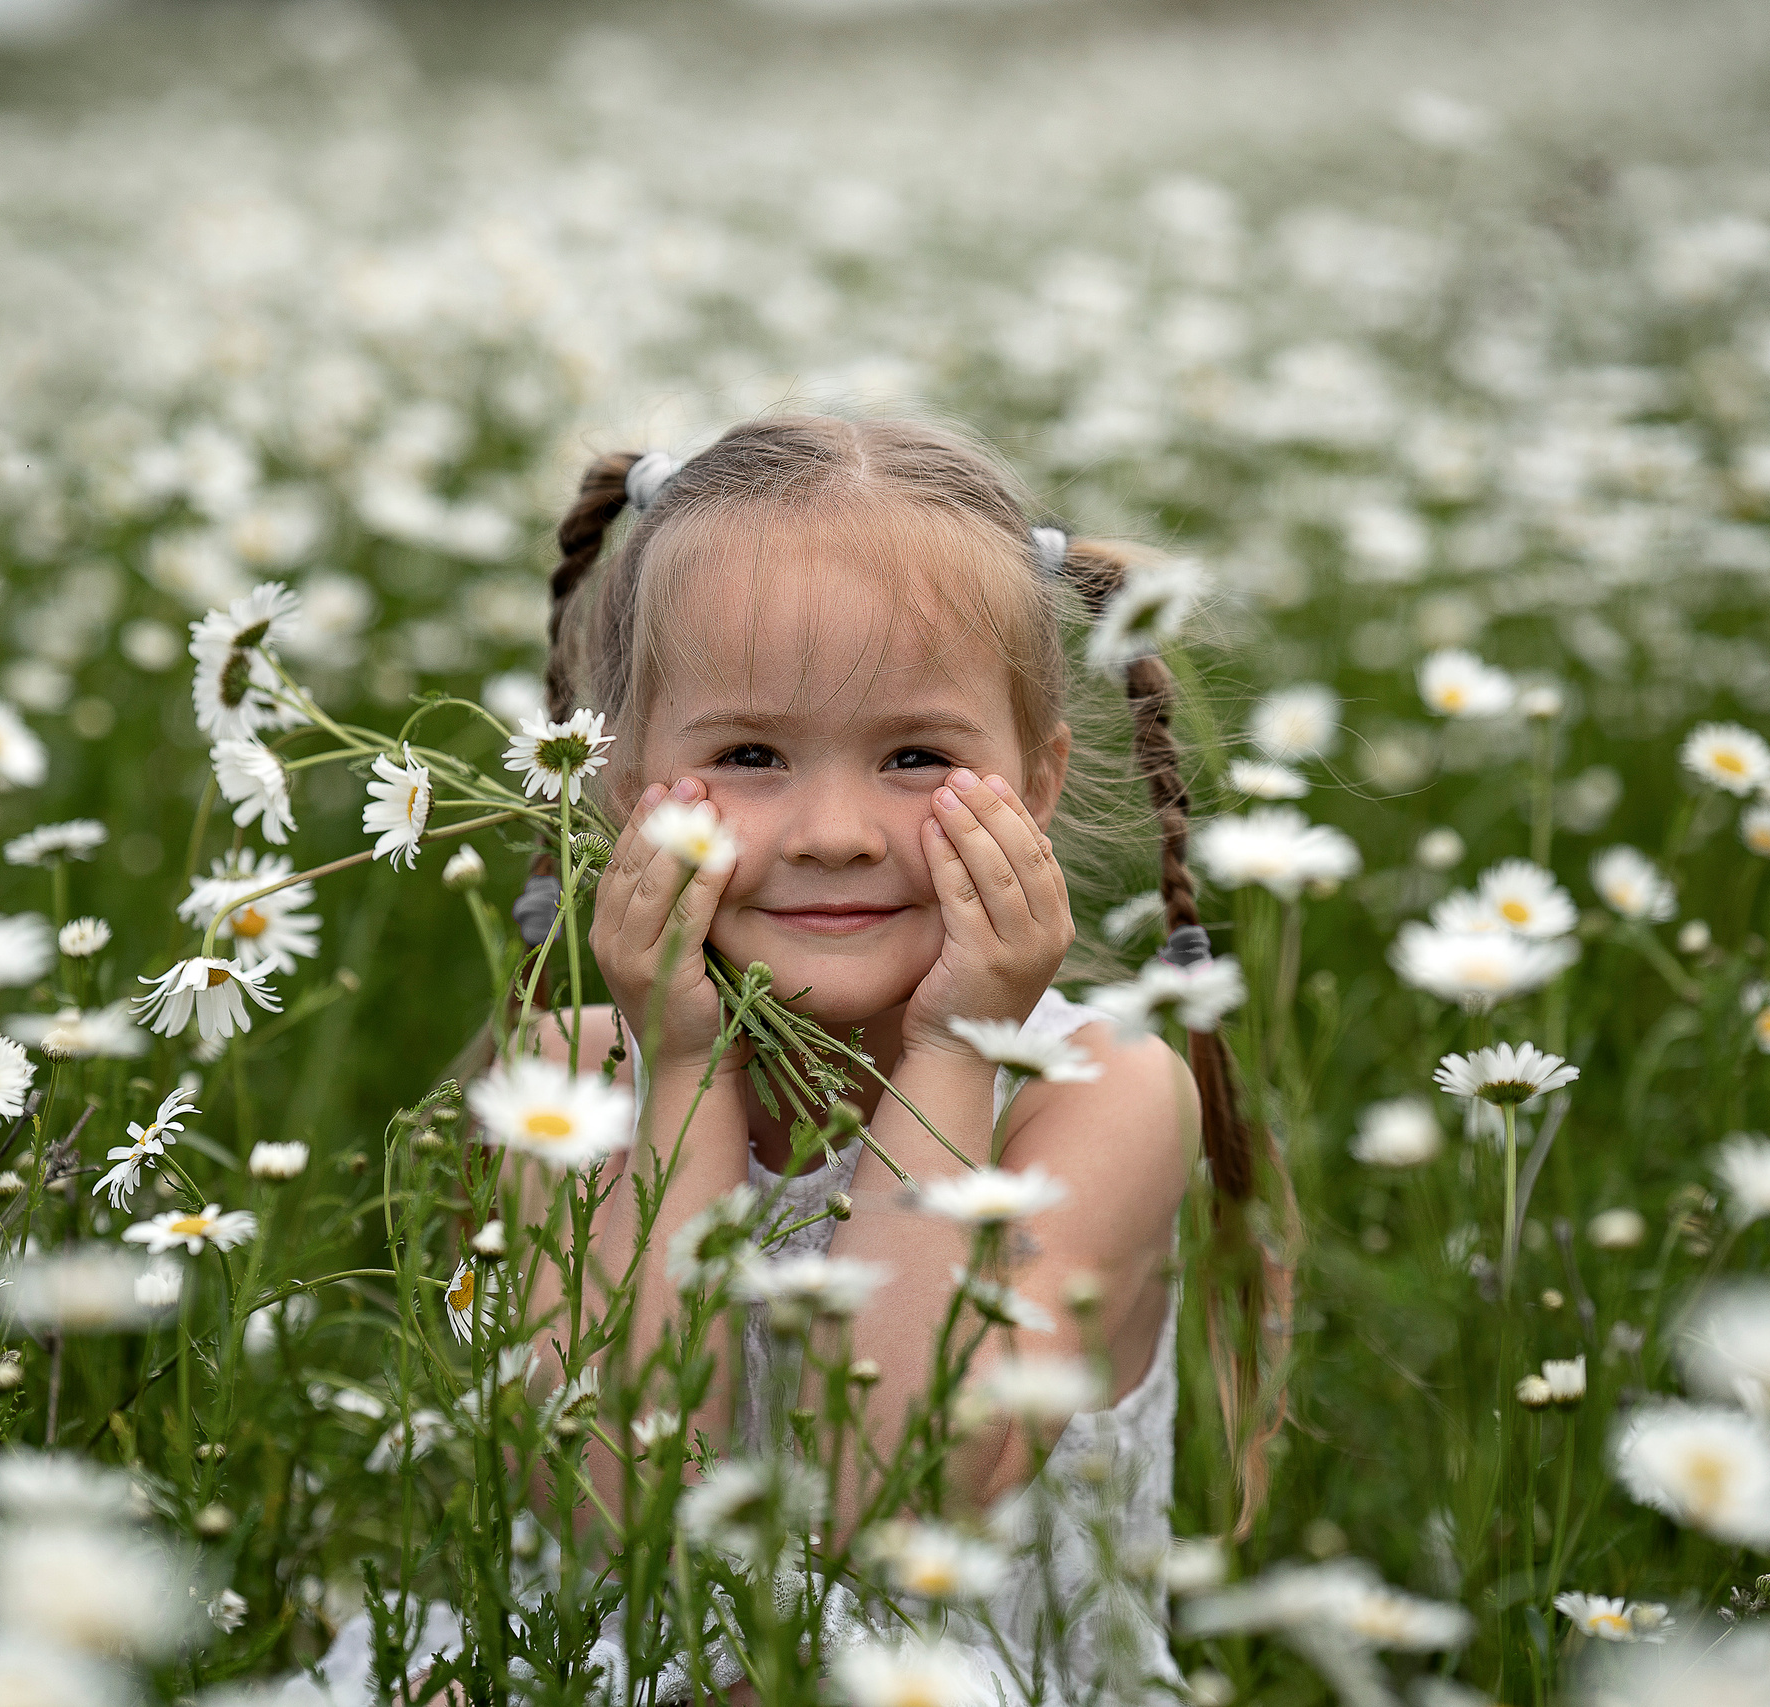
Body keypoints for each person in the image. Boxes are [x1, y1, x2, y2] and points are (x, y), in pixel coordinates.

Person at [318, 414, 1269, 1706]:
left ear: (1036, 786)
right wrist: (680, 1074)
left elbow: (887, 1498)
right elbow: (622, 1513)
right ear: (624, 784)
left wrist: (950, 1045)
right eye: (750, 756)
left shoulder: (1099, 1098)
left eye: (917, 756)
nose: (832, 832)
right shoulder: (569, 1084)